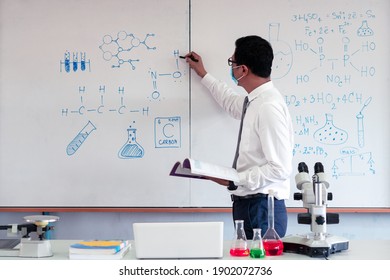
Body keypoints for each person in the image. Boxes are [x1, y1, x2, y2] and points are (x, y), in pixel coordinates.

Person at [184, 35, 294, 239]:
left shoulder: (268, 107)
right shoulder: (254, 102)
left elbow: (280, 168)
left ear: (243, 69)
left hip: (262, 208)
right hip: (250, 205)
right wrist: (203, 74)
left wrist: (234, 180)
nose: (231, 67)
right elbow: (229, 101)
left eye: (232, 62)